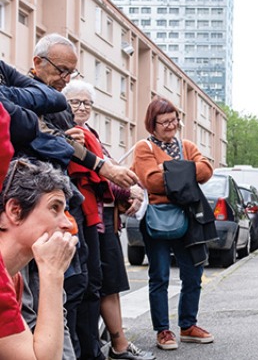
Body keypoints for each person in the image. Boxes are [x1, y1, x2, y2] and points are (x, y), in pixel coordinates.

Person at [27, 33, 138, 360]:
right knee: (62, 292)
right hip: (48, 211)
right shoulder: (29, 96)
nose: (65, 79)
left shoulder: (54, 101)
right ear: (37, 63)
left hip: (73, 210)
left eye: (70, 73)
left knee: (84, 287)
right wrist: (99, 164)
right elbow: (44, 138)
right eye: (61, 70)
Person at [62, 81, 154, 360]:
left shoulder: (91, 133)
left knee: (102, 283)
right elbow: (101, 170)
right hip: (82, 216)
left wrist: (129, 191)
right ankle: (94, 350)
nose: (81, 107)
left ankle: (112, 344)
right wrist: (128, 188)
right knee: (85, 286)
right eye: (76, 102)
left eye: (87, 103)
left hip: (101, 217)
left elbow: (110, 168)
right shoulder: (71, 133)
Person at [130, 97, 215, 351]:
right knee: (160, 276)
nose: (171, 126)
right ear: (152, 124)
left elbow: (207, 170)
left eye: (174, 120)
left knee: (193, 273)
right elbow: (151, 180)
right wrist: (185, 174)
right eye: (164, 122)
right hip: (156, 218)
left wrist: (168, 170)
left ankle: (188, 325)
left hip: (188, 219)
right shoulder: (143, 148)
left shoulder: (186, 145)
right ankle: (163, 330)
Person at [0, 158, 78, 359]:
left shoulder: (14, 277)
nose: (67, 224)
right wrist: (52, 274)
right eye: (55, 208)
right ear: (15, 211)